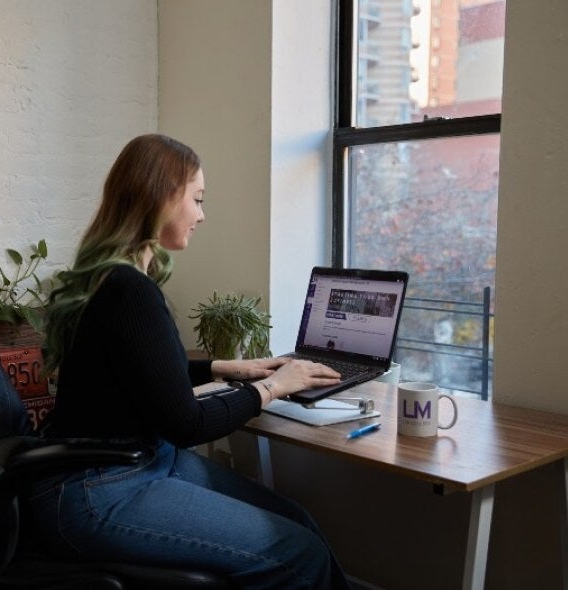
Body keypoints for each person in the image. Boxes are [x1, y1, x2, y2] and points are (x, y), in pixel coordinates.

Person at [29, 134, 352, 590]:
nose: (202, 214)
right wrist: (273, 387)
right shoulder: (130, 292)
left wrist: (223, 368)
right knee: (297, 553)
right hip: (99, 487)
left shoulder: (111, 277)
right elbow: (185, 422)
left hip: (127, 463)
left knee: (293, 518)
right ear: (161, 196)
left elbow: (136, 372)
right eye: (197, 200)